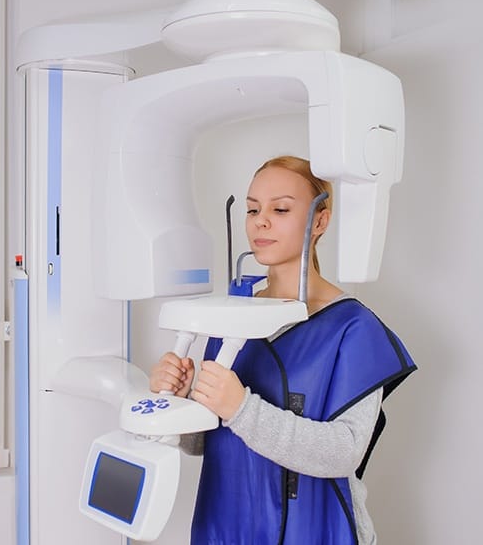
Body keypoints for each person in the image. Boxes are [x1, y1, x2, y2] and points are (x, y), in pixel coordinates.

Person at [150, 156, 416, 545]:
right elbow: (202, 442)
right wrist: (179, 401)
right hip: (227, 524)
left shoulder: (353, 328)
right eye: (253, 209)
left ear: (320, 221)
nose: (261, 221)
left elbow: (344, 453)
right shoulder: (229, 317)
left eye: (281, 209)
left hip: (317, 529)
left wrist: (241, 408)